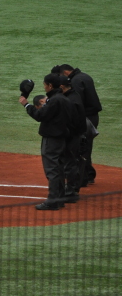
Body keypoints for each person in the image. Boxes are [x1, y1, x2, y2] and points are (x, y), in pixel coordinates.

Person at [20, 74, 72, 211]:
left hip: (52, 139)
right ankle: (60, 199)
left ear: (50, 85)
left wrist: (26, 105)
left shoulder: (54, 100)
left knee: (52, 170)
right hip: (62, 138)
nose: (44, 87)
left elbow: (40, 115)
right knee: (59, 168)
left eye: (45, 85)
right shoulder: (64, 99)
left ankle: (53, 201)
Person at [55, 64, 101, 186]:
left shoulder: (75, 81)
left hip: (85, 117)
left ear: (65, 73)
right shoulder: (85, 76)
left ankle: (82, 177)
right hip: (92, 116)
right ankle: (88, 174)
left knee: (80, 148)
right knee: (86, 147)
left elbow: (77, 102)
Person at [59, 75, 86, 203]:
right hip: (76, 135)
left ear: (61, 86)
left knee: (70, 163)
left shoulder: (70, 100)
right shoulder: (74, 95)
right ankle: (72, 190)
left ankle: (70, 192)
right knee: (72, 162)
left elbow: (73, 122)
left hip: (72, 136)